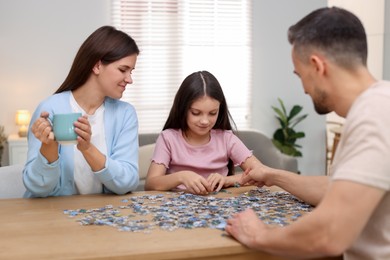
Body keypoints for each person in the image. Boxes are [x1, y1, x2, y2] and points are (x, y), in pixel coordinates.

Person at [225, 7, 390, 259]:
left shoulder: (375, 114)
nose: (303, 89)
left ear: (317, 66)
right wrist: (273, 175)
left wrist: (259, 234)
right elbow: (337, 190)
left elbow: (330, 233)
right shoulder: (377, 104)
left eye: (299, 75)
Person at [23, 26, 140, 197]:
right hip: (51, 218)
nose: (130, 79)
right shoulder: (50, 109)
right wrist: (49, 147)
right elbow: (37, 188)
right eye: (123, 70)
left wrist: (87, 148)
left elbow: (127, 182)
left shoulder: (125, 114)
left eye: (131, 71)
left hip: (102, 215)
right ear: (97, 66)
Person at [144, 71, 262, 195]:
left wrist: (227, 180)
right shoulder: (168, 138)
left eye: (212, 113)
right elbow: (151, 183)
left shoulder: (227, 139)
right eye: (196, 113)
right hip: (178, 208)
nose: (205, 121)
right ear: (183, 109)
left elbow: (260, 173)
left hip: (220, 207)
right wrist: (182, 176)